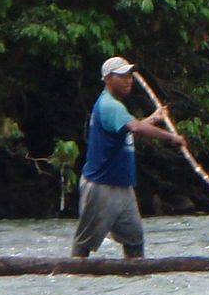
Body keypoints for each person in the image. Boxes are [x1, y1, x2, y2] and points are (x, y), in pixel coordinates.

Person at [71, 56, 185, 258]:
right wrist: (171, 137)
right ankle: (73, 272)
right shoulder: (109, 105)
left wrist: (154, 118)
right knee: (85, 244)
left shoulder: (115, 107)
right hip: (101, 186)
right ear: (108, 79)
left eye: (130, 76)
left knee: (134, 240)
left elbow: (129, 130)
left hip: (123, 186)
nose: (128, 80)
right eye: (122, 76)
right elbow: (136, 128)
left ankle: (133, 275)